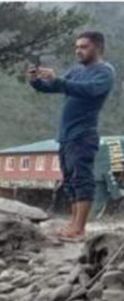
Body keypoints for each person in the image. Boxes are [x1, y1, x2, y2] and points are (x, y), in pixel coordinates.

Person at [29, 31, 116, 242]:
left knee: (82, 179)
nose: (78, 50)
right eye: (76, 47)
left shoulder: (105, 72)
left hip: (84, 134)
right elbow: (53, 87)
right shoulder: (76, 71)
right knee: (69, 181)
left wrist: (58, 80)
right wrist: (36, 80)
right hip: (66, 136)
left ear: (98, 47)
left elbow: (89, 90)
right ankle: (73, 223)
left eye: (84, 46)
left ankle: (79, 228)